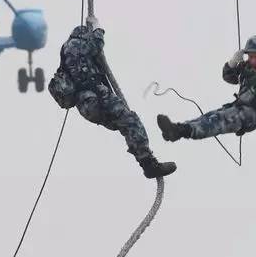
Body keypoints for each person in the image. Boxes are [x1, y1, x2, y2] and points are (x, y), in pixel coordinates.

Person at [49, 25, 176, 179]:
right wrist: (98, 30)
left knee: (124, 125)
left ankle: (146, 161)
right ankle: (149, 164)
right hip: (96, 96)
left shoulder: (66, 52)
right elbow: (95, 45)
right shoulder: (76, 44)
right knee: (131, 121)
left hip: (85, 106)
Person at [157, 35, 256, 143]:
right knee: (209, 116)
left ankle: (180, 132)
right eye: (251, 56)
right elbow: (229, 78)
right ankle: (176, 130)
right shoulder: (247, 67)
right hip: (239, 106)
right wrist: (232, 63)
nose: (253, 60)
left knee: (218, 121)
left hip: (252, 114)